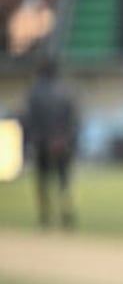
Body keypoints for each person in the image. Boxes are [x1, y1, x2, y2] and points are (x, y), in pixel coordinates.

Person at [24, 56, 79, 229]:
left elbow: (31, 121)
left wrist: (41, 140)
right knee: (64, 181)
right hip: (63, 144)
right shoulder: (66, 92)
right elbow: (73, 121)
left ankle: (45, 216)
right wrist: (64, 139)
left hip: (42, 144)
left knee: (42, 182)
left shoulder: (35, 93)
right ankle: (67, 214)